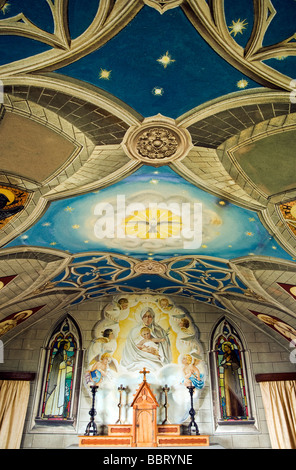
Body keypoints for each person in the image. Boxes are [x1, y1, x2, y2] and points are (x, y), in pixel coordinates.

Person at [120, 307, 172, 371]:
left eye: (149, 316)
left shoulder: (159, 330)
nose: (147, 319)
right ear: (141, 317)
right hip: (139, 357)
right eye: (145, 316)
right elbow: (131, 347)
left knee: (158, 368)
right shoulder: (134, 331)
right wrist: (144, 350)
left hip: (155, 356)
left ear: (153, 317)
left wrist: (157, 350)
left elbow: (164, 345)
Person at [220, 342, 245, 417]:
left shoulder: (233, 355)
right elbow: (222, 363)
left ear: (229, 348)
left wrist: (230, 364)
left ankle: (238, 413)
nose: (225, 349)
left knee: (235, 389)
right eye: (224, 348)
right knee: (227, 390)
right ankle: (228, 413)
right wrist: (226, 362)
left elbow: (237, 365)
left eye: (226, 348)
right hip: (227, 373)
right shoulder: (225, 355)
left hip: (234, 374)